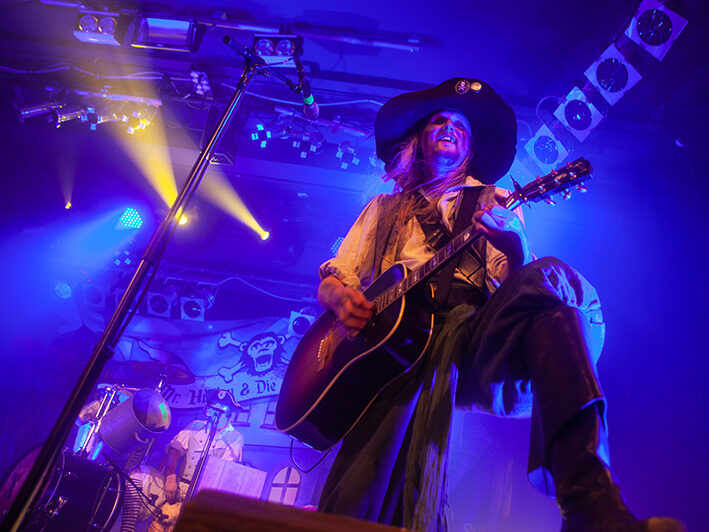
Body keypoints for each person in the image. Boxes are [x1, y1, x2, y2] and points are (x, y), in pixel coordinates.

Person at [315, 78, 685, 532]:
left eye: (461, 126)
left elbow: (520, 295)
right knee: (360, 490)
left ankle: (591, 502)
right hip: (387, 348)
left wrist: (514, 247)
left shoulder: (495, 200)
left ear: (470, 147)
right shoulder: (382, 208)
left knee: (551, 284)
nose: (450, 128)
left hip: (471, 339)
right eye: (439, 121)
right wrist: (340, 297)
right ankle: (589, 506)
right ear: (419, 137)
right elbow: (335, 276)